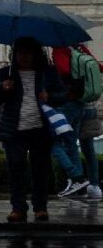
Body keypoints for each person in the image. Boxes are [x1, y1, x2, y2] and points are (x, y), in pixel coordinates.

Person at [0, 37, 67, 222]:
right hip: (14, 130)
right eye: (20, 53)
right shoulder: (5, 73)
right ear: (14, 55)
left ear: (36, 54)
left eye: (28, 53)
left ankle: (40, 207)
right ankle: (18, 208)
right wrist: (2, 88)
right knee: (16, 168)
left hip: (41, 129)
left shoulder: (47, 73)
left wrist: (50, 96)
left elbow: (63, 95)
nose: (24, 57)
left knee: (40, 170)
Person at [49, 46, 88, 198]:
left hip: (67, 102)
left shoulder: (60, 50)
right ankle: (80, 187)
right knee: (71, 144)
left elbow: (64, 71)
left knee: (53, 142)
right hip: (80, 101)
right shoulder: (80, 48)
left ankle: (77, 177)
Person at [79, 98, 103, 200]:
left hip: (77, 107)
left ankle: (77, 181)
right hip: (91, 108)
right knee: (89, 150)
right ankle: (94, 186)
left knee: (68, 145)